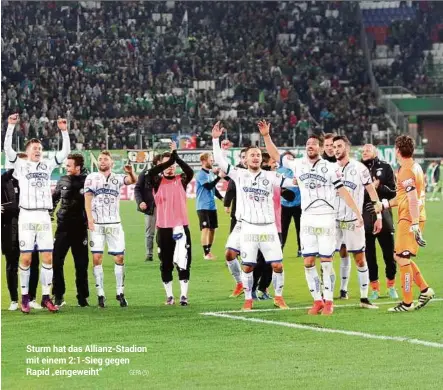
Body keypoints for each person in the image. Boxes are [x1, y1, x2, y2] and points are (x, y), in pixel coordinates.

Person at [261, 124, 365, 316]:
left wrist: (357, 213)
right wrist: (266, 135)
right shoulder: (298, 164)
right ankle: (317, 300)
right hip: (307, 218)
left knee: (326, 261)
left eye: (314, 144)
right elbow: (276, 156)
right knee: (308, 261)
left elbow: (342, 191)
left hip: (326, 217)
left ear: (320, 148)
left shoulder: (330, 167)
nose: (310, 146)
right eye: (308, 144)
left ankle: (329, 302)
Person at [213, 121, 295, 311]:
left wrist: (304, 177)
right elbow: (220, 161)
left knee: (277, 265)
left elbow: (292, 182)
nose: (256, 158)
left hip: (268, 227)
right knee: (248, 266)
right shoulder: (239, 174)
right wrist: (215, 139)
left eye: (258, 155)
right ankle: (248, 299)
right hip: (248, 226)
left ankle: (279, 297)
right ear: (246, 159)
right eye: (252, 155)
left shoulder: (271, 176)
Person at [4, 114, 70, 313]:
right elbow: (7, 149)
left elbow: (64, 152)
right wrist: (10, 126)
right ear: (27, 151)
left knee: (47, 258)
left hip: (43, 216)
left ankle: (45, 297)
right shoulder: (20, 165)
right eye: (34, 149)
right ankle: (25, 297)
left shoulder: (47, 165)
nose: (38, 151)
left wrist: (64, 131)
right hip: (27, 216)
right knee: (25, 258)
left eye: (40, 149)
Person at [381, 135, 434, 312]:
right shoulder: (415, 167)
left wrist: (414, 223)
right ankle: (425, 290)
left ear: (397, 150)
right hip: (413, 216)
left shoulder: (405, 170)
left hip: (410, 218)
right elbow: (404, 196)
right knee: (400, 256)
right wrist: (386, 204)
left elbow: (411, 198)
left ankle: (407, 302)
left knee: (402, 257)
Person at [332, 136, 383, 309]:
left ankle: (364, 298)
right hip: (334, 220)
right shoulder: (330, 169)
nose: (336, 149)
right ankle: (336, 292)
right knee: (332, 256)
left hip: (354, 220)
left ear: (347, 147)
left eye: (339, 146)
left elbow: (372, 192)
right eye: (334, 146)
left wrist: (379, 216)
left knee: (360, 259)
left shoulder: (360, 168)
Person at [84, 151, 137, 308]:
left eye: (105, 159)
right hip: (97, 224)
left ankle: (120, 292)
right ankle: (100, 294)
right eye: (100, 159)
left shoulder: (117, 178)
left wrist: (131, 172)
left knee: (119, 258)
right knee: (97, 258)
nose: (102, 161)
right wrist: (89, 219)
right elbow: (87, 199)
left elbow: (133, 181)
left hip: (114, 224)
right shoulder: (91, 178)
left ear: (112, 163)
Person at [146, 142, 194, 306]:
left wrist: (176, 157)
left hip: (181, 227)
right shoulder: (157, 181)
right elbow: (152, 172)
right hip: (164, 228)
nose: (170, 168)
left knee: (184, 262)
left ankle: (183, 295)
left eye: (172, 165)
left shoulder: (182, 179)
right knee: (165, 263)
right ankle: (169, 296)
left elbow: (189, 170)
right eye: (167, 165)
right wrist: (169, 159)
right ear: (161, 166)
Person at [1, 154, 40, 311]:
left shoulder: (33, 179)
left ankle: (31, 298)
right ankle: (14, 300)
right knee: (11, 263)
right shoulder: (3, 180)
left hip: (31, 225)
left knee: (34, 262)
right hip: (9, 226)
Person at [51, 153, 90, 307]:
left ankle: (82, 297)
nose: (66, 168)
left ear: (78, 167)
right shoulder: (62, 180)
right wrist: (50, 214)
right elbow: (54, 199)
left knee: (81, 264)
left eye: (69, 165)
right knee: (56, 261)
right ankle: (58, 295)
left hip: (80, 228)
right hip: (63, 227)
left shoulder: (87, 181)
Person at [361, 144, 398, 300]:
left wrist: (379, 187)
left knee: (389, 254)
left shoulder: (386, 167)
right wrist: (368, 190)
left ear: (375, 152)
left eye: (368, 150)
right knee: (369, 256)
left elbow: (394, 192)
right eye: (363, 151)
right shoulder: (356, 168)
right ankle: (374, 289)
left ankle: (391, 286)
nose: (364, 152)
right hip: (365, 217)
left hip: (384, 214)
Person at [223, 147, 247, 297]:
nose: (246, 159)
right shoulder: (237, 172)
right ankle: (240, 283)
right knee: (231, 252)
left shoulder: (262, 173)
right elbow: (230, 189)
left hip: (258, 222)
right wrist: (227, 204)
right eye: (243, 156)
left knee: (253, 256)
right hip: (238, 218)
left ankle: (258, 288)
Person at [196, 152, 224, 260]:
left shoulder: (210, 174)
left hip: (212, 206)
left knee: (212, 229)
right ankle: (206, 253)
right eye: (210, 159)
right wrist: (219, 177)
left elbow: (213, 189)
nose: (212, 161)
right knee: (205, 228)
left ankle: (208, 251)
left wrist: (222, 198)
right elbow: (208, 186)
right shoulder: (200, 174)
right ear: (204, 161)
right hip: (202, 206)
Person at [134, 154, 161, 262]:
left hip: (164, 207)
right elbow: (137, 189)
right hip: (151, 207)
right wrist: (140, 202)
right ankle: (149, 254)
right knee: (150, 232)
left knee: (164, 232)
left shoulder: (166, 175)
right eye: (161, 163)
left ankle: (162, 253)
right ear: (156, 163)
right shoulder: (145, 174)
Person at [278, 151, 302, 254]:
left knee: (300, 228)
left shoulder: (299, 170)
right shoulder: (279, 171)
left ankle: (301, 249)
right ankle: (280, 249)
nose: (288, 160)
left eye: (290, 158)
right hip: (284, 205)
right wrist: (282, 191)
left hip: (299, 204)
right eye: (286, 158)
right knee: (283, 229)